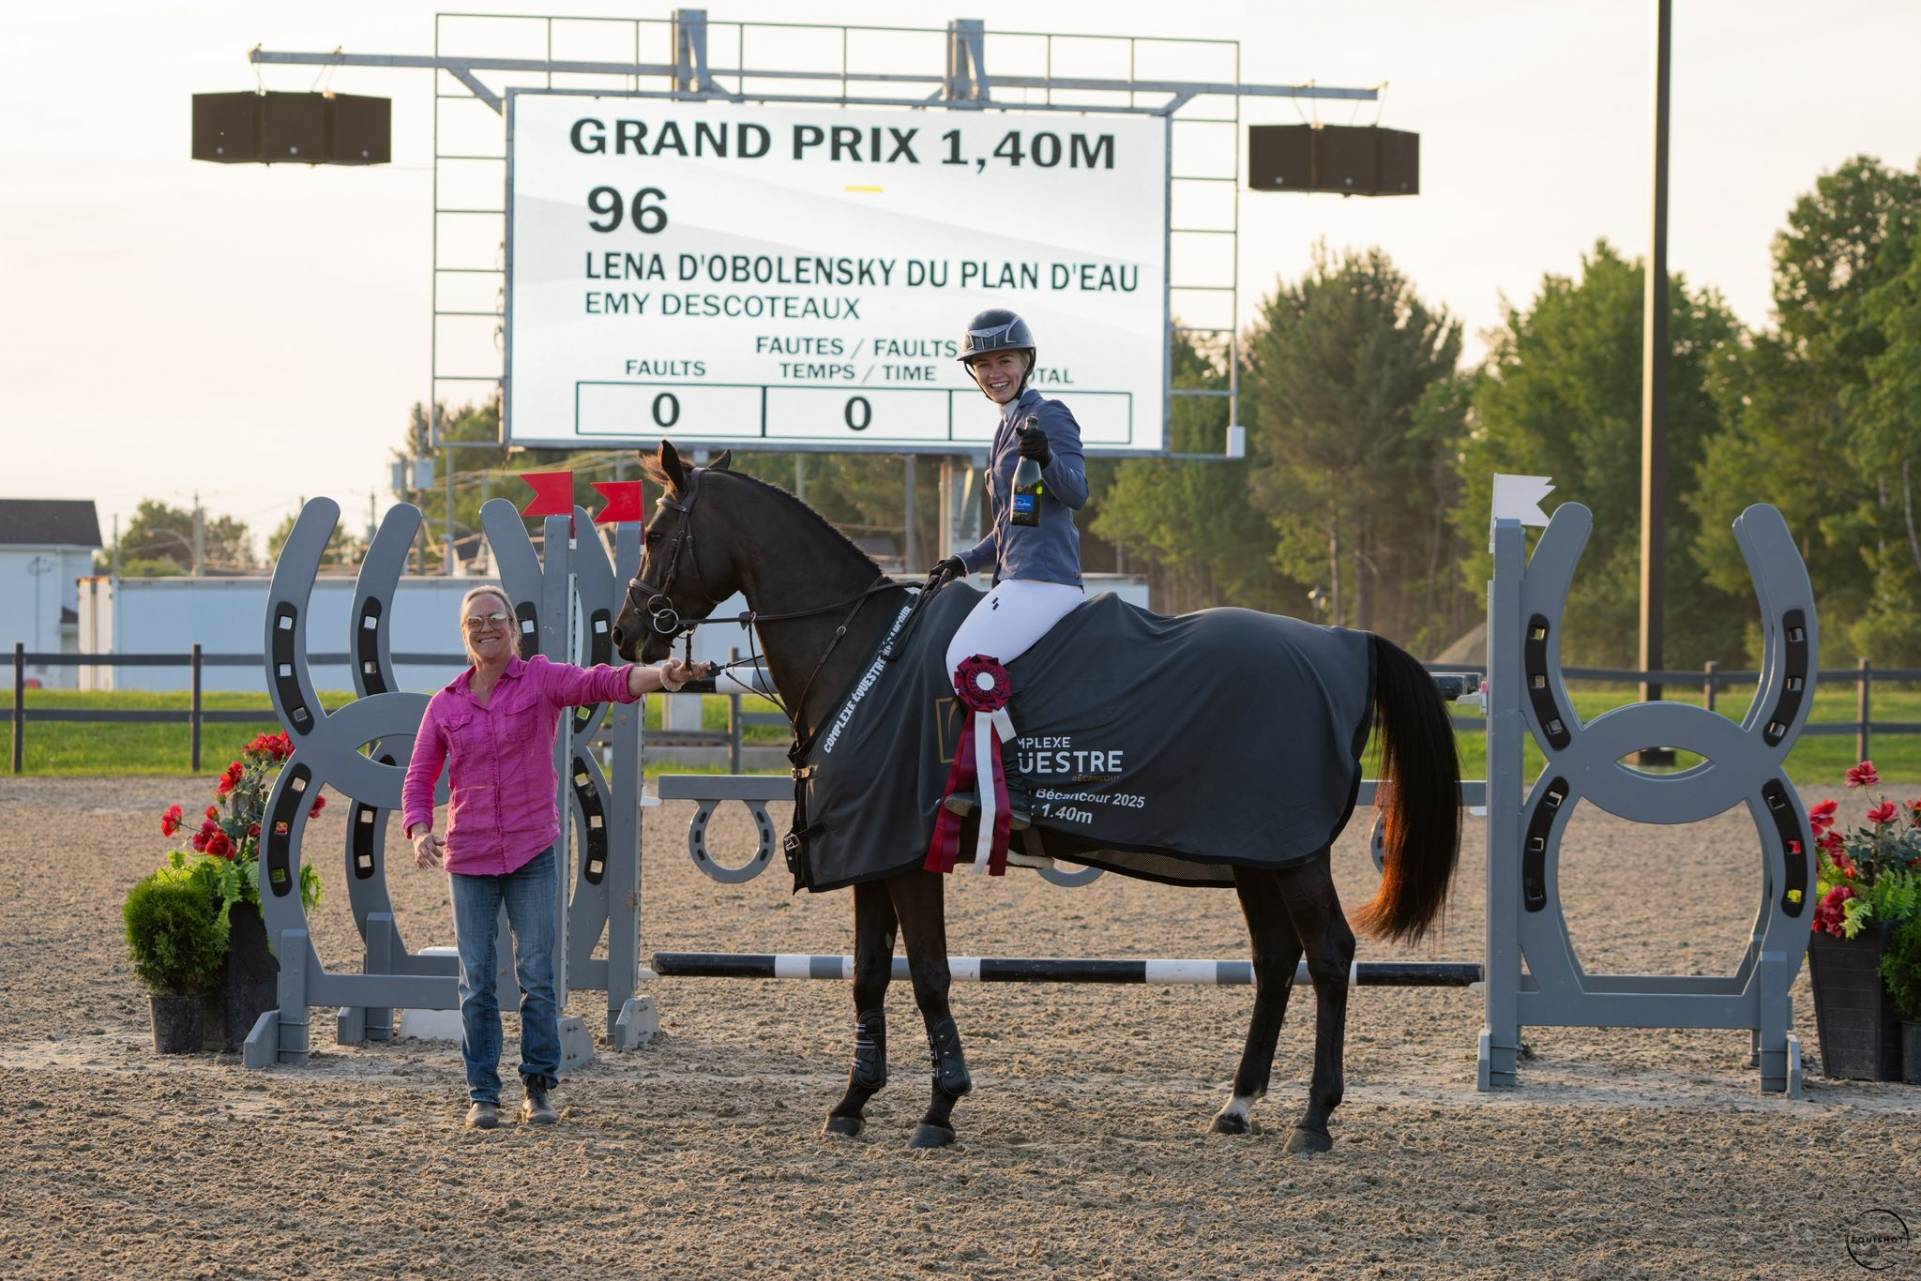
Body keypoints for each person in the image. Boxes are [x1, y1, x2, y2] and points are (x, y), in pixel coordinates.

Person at [403, 585, 707, 1130]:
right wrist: (419, 828)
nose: (486, 628)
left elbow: (604, 682)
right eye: (475, 622)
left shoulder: (541, 679)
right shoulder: (444, 704)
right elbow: (419, 775)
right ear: (464, 634)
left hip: (531, 852)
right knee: (476, 982)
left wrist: (662, 675)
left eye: (495, 618)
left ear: (513, 629)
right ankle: (483, 1095)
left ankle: (537, 1088)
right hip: (469, 856)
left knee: (538, 977)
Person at [928, 308, 1088, 840]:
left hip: (1045, 580)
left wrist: (1048, 459)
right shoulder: (1004, 427)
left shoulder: (1049, 414)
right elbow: (1012, 524)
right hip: (1016, 575)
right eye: (984, 364)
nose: (995, 372)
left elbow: (1077, 493)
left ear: (1026, 362)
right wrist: (965, 561)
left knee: (963, 661)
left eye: (1005, 361)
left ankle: (1012, 788)